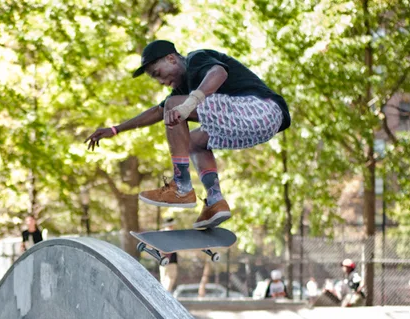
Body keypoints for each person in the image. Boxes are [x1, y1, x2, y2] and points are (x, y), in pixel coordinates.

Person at [85, 40, 290, 229]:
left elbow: (219, 73)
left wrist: (188, 104)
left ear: (172, 59)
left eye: (158, 73)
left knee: (175, 107)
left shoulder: (196, 59)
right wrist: (116, 129)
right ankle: (215, 201)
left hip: (261, 108)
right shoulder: (183, 88)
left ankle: (181, 186)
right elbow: (158, 111)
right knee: (192, 142)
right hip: (262, 126)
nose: (161, 82)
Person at [158, 218, 179, 293]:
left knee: (163, 280)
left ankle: (163, 295)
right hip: (171, 261)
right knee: (170, 279)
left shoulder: (160, 233)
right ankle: (165, 296)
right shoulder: (173, 234)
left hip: (162, 260)